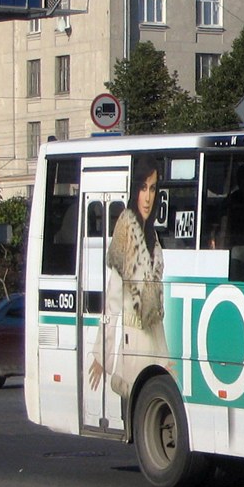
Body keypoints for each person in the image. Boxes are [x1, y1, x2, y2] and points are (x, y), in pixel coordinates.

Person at [88, 155, 169, 398]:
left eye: (153, 188)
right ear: (135, 190)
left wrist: (165, 359)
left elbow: (155, 312)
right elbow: (112, 302)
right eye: (143, 187)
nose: (148, 196)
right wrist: (103, 355)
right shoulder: (126, 229)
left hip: (153, 346)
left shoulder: (151, 234)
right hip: (132, 343)